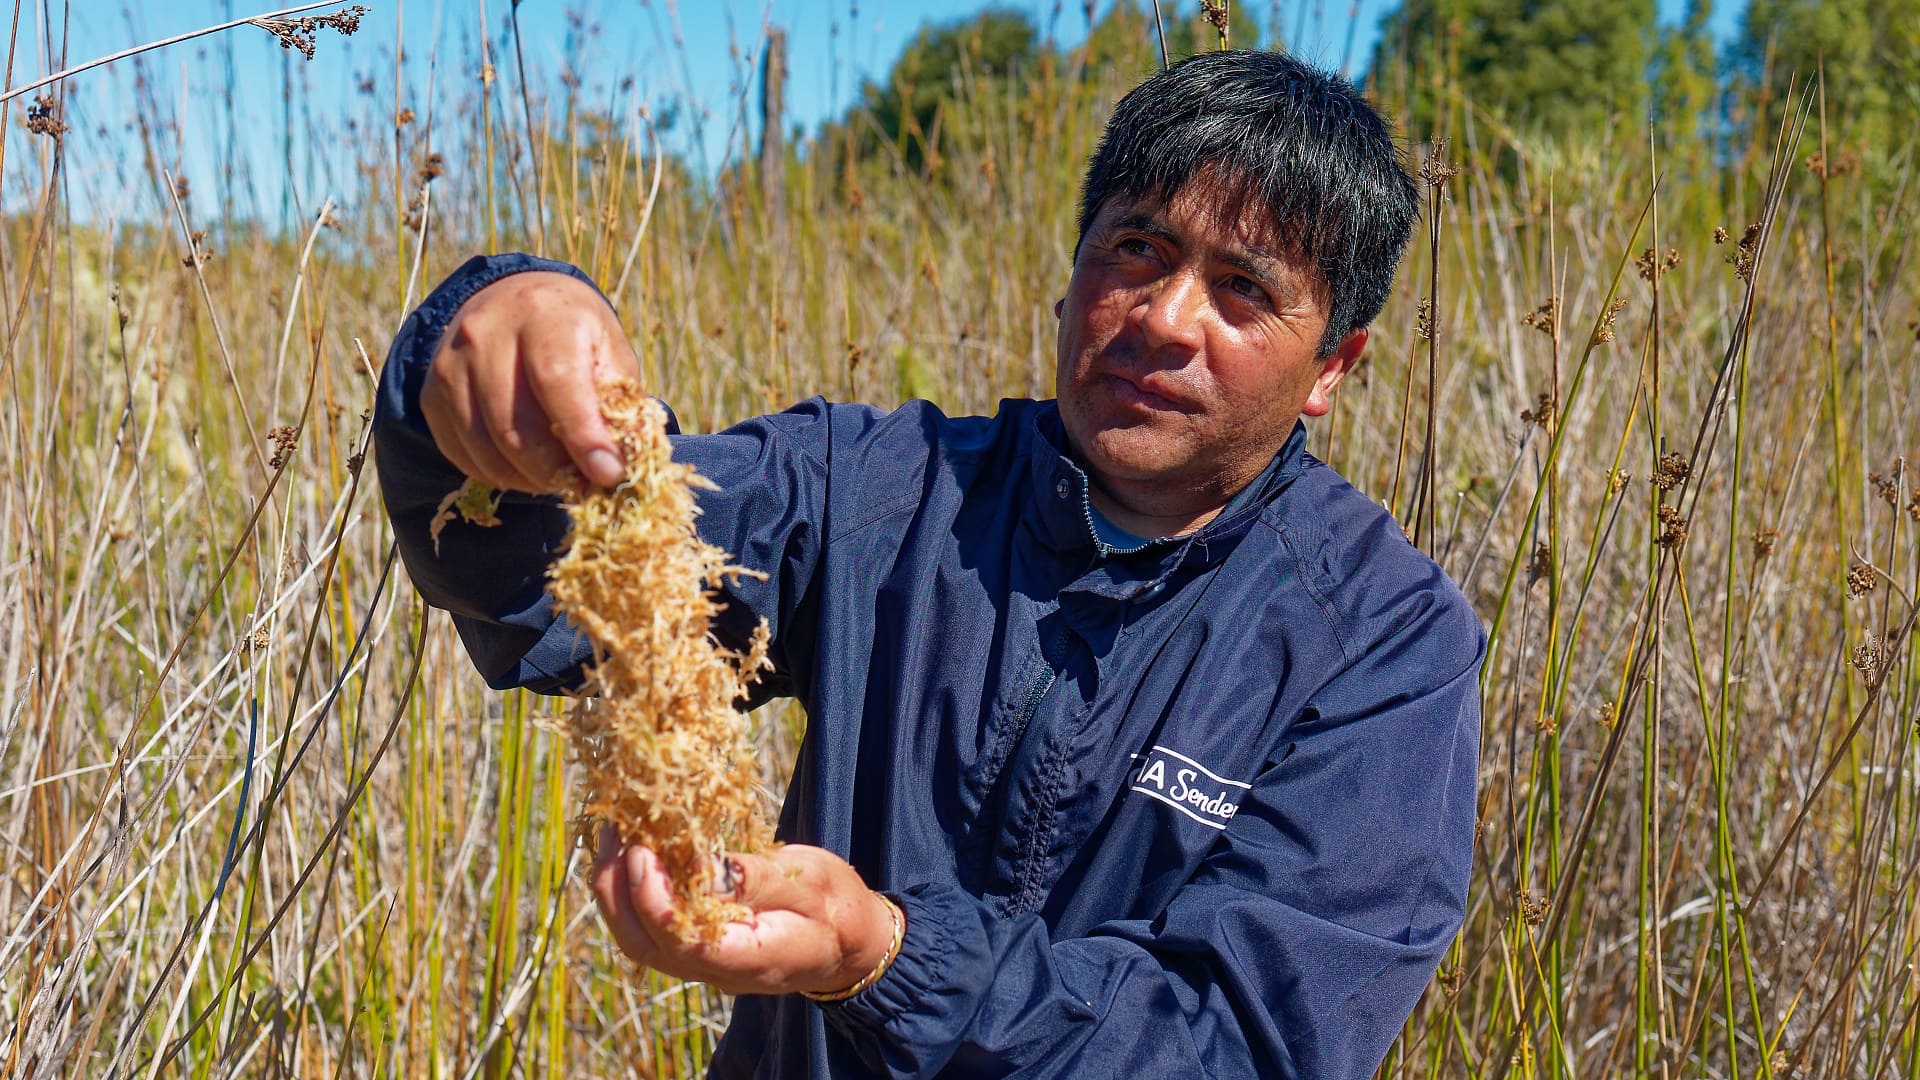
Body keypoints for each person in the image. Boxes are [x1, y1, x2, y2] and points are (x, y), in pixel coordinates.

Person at [374, 49, 1483, 1080]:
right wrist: (484, 357)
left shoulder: (1383, 646)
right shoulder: (883, 490)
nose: (1165, 318)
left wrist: (891, 964)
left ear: (1334, 363)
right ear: (1073, 273)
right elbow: (561, 581)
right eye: (1137, 249)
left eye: (1245, 288)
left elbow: (1250, 1044)